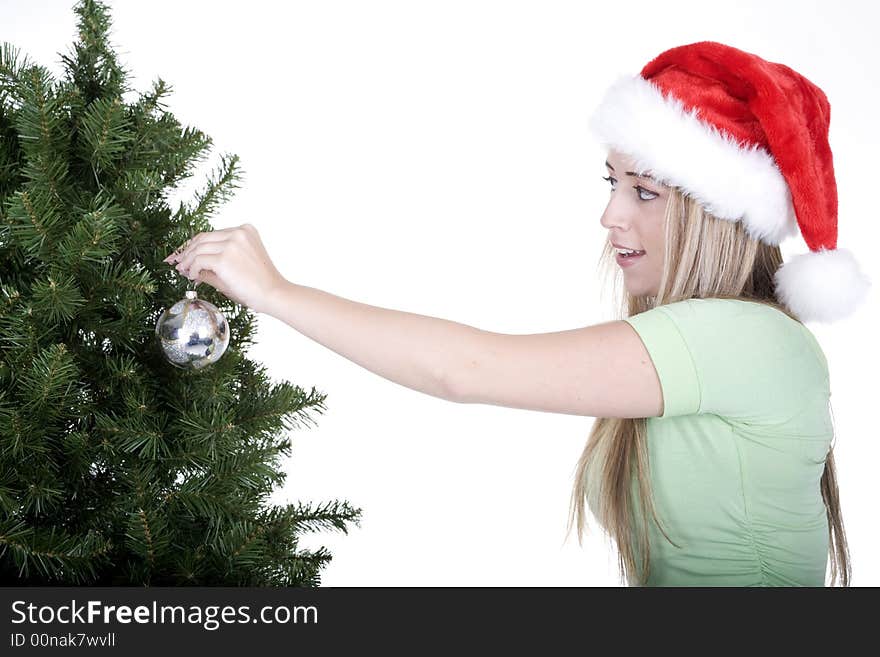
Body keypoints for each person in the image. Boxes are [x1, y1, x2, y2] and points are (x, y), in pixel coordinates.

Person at [163, 41, 870, 587]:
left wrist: (278, 293)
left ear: (716, 216)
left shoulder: (738, 337)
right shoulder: (729, 339)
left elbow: (463, 370)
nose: (610, 215)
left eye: (645, 193)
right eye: (613, 183)